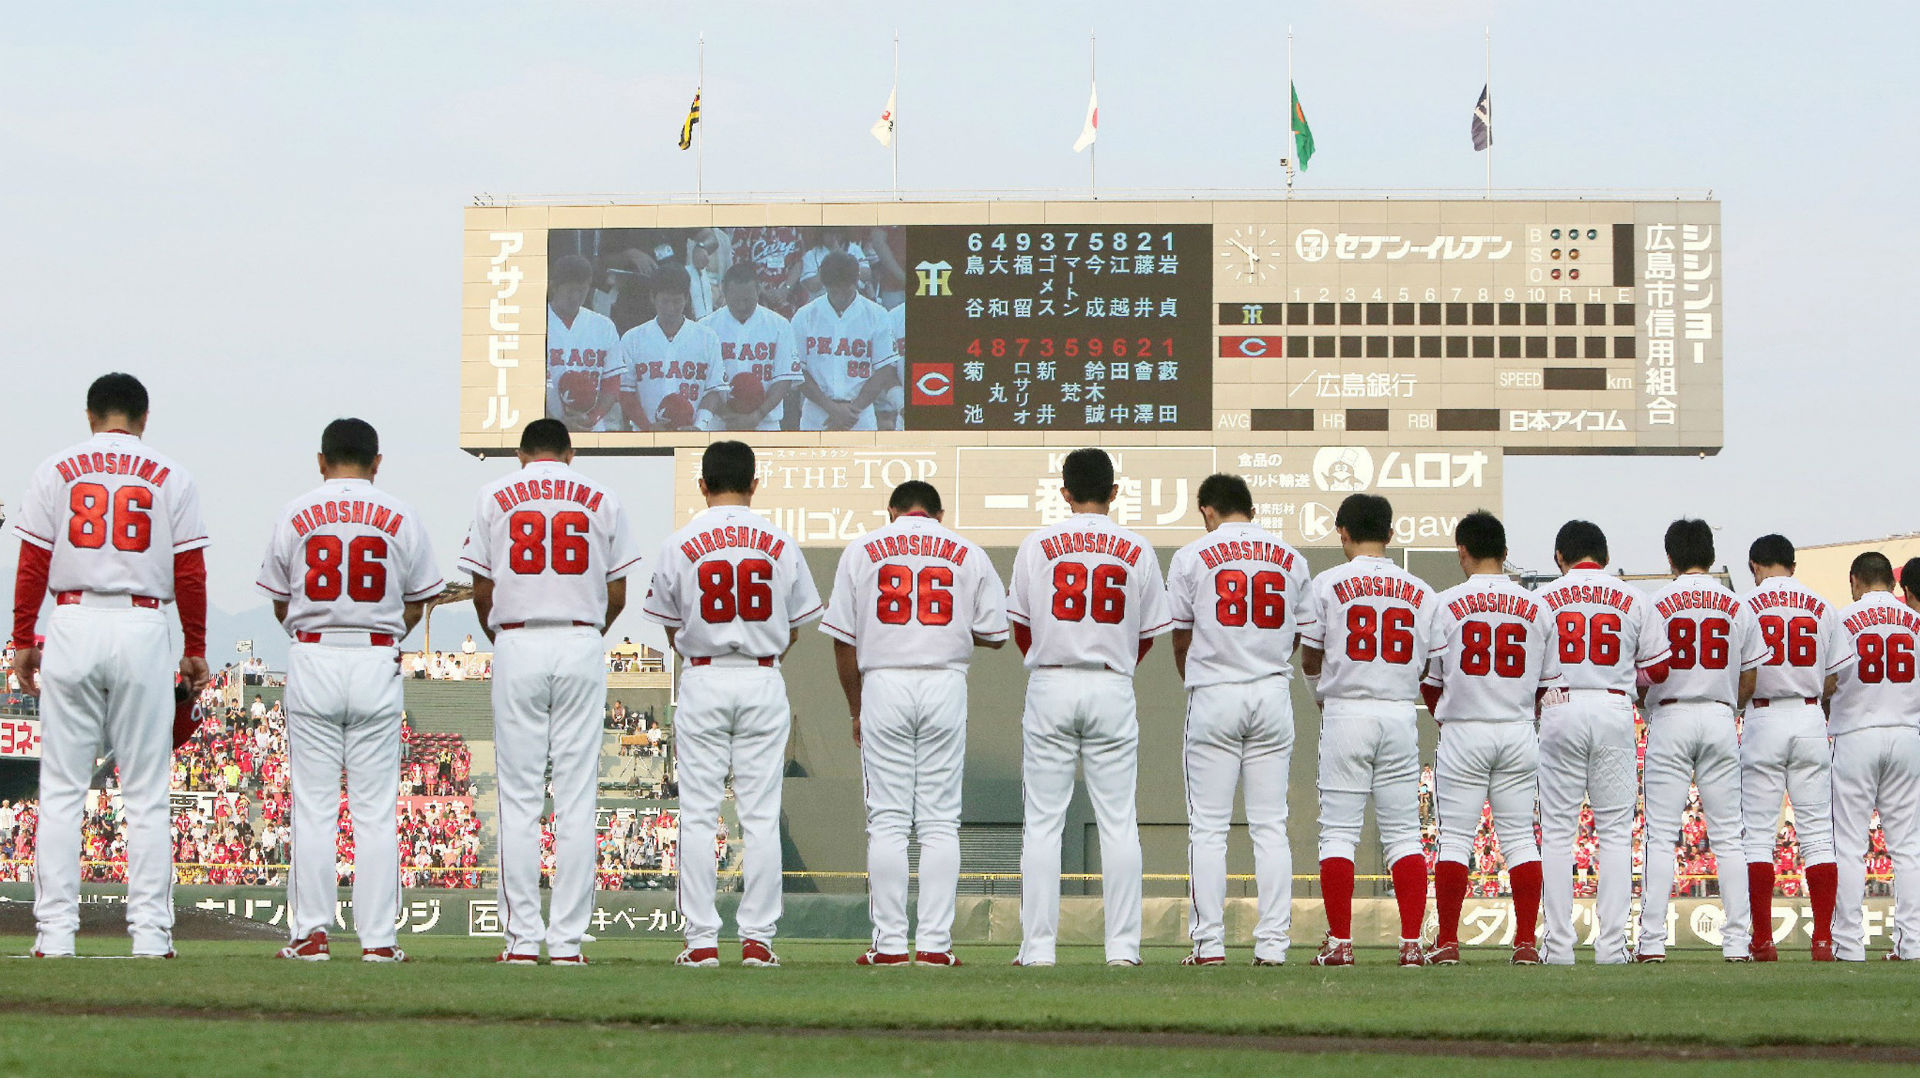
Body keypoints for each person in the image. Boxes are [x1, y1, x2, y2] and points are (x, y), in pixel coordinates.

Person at [9, 372, 210, 958]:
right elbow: (191, 571)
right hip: (143, 623)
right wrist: (194, 644)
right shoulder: (172, 474)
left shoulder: (55, 468)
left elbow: (32, 561)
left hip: (71, 619)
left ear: (90, 416)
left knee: (62, 792)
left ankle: (54, 936)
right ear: (144, 419)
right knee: (146, 792)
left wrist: (24, 634)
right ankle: (150, 937)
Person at [256, 419, 442, 962]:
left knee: (313, 808)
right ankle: (379, 940)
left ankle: (311, 934)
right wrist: (379, 631)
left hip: (313, 651)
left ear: (321, 460)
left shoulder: (296, 511)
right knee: (375, 811)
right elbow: (417, 601)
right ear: (377, 461)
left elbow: (277, 600)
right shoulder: (400, 514)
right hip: (375, 654)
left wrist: (316, 628)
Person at [458, 419, 641, 965]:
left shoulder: (494, 494)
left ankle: (520, 942)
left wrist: (504, 636)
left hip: (517, 639)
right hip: (581, 639)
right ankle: (565, 945)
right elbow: (618, 592)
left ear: (521, 454)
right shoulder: (601, 496)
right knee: (577, 799)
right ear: (570, 452)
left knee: (518, 800)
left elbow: (481, 587)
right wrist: (586, 633)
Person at [641, 441, 821, 968]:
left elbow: (671, 626)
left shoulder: (680, 542)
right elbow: (793, 629)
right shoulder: (780, 542)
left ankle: (700, 942)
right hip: (763, 677)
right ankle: (757, 940)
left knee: (697, 815)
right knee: (761, 816)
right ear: (754, 482)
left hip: (703, 676)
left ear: (702, 484)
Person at [820, 480, 1008, 967]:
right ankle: (934, 947)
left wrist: (856, 709)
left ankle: (888, 947)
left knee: (887, 821)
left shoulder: (862, 549)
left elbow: (843, 640)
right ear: (939, 514)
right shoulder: (966, 550)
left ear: (892, 511)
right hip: (945, 682)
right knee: (940, 823)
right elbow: (995, 635)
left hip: (884, 681)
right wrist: (945, 629)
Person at [1006, 448, 1171, 968]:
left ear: (1064, 492)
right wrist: (1114, 664)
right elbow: (1147, 636)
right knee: (1119, 822)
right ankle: (1122, 949)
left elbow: (1021, 627)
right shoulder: (1137, 547)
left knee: (1043, 824)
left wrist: (1055, 659)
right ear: (1114, 492)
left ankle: (1037, 950)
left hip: (1051, 682)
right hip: (1111, 685)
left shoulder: (1038, 544)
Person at [1164, 473, 1311, 966]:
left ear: (1208, 510)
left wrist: (1198, 677)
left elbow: (1180, 639)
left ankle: (1208, 945)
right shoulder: (1292, 558)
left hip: (1215, 692)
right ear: (1249, 508)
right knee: (1271, 827)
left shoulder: (1190, 556)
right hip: (1271, 690)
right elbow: (1298, 635)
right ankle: (1272, 946)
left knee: (1208, 829)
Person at [1298, 493, 1436, 968]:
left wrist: (1322, 695)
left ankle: (1340, 944)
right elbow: (1431, 665)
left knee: (1338, 832)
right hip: (1400, 711)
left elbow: (1311, 657)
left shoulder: (1328, 583)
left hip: (1346, 711)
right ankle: (1412, 945)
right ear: (1391, 534)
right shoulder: (1421, 590)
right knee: (1404, 836)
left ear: (1343, 532)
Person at [1420, 511, 1562, 965]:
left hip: (1464, 727)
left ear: (1463, 550)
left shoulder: (1444, 603)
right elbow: (1547, 685)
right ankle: (1524, 943)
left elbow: (1430, 681)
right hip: (1518, 727)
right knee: (1520, 838)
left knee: (1455, 840)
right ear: (1504, 551)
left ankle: (1447, 942)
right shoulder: (1538, 607)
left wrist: (1446, 718)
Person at [1533, 520, 1670, 965]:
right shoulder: (1633, 597)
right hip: (1613, 706)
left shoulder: (1541, 599)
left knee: (1556, 835)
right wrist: (1627, 678)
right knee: (1614, 835)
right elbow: (1660, 670)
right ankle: (1611, 947)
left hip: (1560, 704)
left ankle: (1558, 948)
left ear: (1560, 557)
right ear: (1605, 558)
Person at [1635, 518, 1767, 963]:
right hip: (1718, 715)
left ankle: (1651, 942)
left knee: (1660, 836)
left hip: (1670, 714)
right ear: (1710, 555)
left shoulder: (1656, 602)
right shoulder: (1737, 604)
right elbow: (1749, 677)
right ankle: (1735, 943)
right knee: (1730, 837)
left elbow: (1644, 673)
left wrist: (1648, 704)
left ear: (1669, 557)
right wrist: (1727, 705)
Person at [1738, 534, 1842, 962]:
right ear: (1793, 565)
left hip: (1763, 715)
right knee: (1818, 835)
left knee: (1758, 839)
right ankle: (1822, 941)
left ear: (1754, 565)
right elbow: (1834, 678)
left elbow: (1739, 673)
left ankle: (1762, 940)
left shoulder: (1746, 605)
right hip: (1808, 713)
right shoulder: (1822, 606)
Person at [1827, 551, 1920, 961]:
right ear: (1891, 581)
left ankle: (1849, 944)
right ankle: (1912, 943)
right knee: (1908, 848)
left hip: (1856, 734)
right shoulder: (1916, 622)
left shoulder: (1842, 620)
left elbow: (1827, 683)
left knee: (1849, 846)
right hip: (1906, 733)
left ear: (1855, 580)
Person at [791, 251, 900, 431]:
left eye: (846, 289)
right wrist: (831, 408)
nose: (841, 295)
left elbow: (885, 368)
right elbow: (797, 370)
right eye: (835, 290)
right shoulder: (805, 316)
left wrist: (851, 411)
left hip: (859, 413)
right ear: (825, 284)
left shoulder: (876, 314)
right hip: (817, 412)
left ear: (856, 280)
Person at [617, 264, 721, 432]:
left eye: (677, 301)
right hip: (647, 435)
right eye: (664, 301)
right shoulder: (633, 338)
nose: (670, 309)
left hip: (692, 435)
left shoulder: (707, 338)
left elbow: (714, 390)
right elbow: (625, 391)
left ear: (686, 298)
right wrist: (648, 427)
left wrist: (699, 426)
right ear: (653, 297)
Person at [701, 262, 801, 432]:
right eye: (736, 300)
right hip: (720, 423)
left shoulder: (779, 325)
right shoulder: (705, 327)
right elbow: (702, 381)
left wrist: (757, 415)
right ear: (724, 292)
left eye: (747, 300)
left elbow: (784, 378)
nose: (742, 306)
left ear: (758, 291)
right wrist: (729, 416)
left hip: (765, 422)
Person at [545, 254, 623, 431]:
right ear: (554, 287)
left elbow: (612, 382)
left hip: (591, 428)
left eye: (582, 290)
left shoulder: (603, 326)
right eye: (570, 290)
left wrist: (592, 417)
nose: (576, 296)